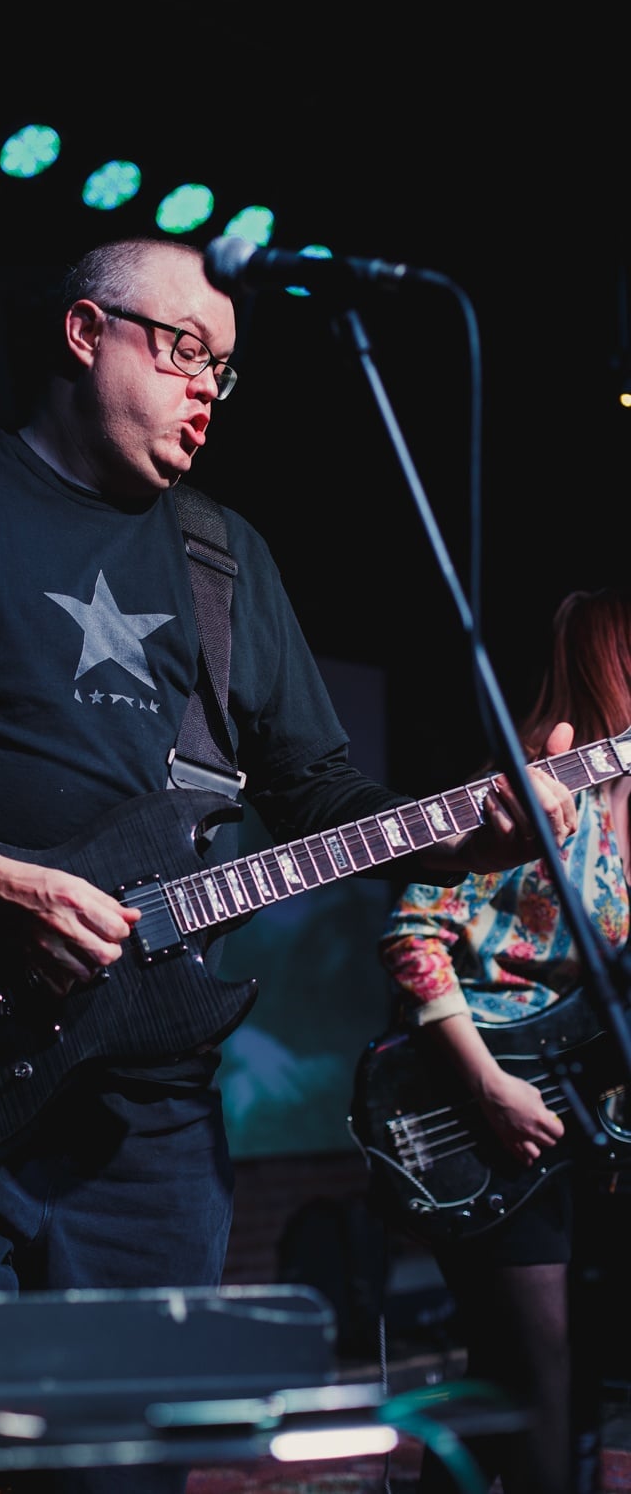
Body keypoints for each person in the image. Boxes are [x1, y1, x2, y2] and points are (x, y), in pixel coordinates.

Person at [0, 235, 579, 1494]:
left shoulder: (221, 555)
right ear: (86, 333)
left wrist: (463, 832)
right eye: (186, 349)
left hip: (145, 1119)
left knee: (132, 1467)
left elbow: (322, 795)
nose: (208, 388)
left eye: (225, 370)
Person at [376, 586, 631, 1494]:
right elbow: (414, 934)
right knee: (542, 1375)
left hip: (586, 1127)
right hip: (484, 1117)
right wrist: (489, 1086)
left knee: (527, 1378)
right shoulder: (529, 793)